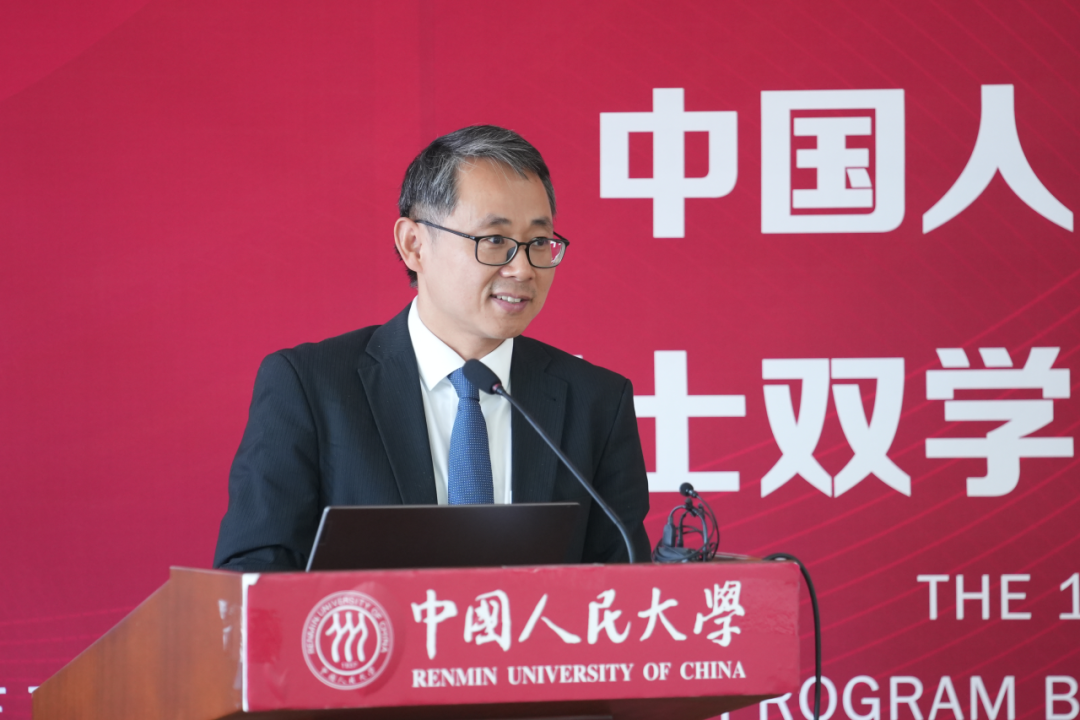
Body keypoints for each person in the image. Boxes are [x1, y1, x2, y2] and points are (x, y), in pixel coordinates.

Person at [213, 125, 651, 572]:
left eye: (538, 242)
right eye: (494, 240)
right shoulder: (311, 387)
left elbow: (627, 584)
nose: (522, 269)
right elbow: (251, 574)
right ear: (414, 245)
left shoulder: (596, 402)